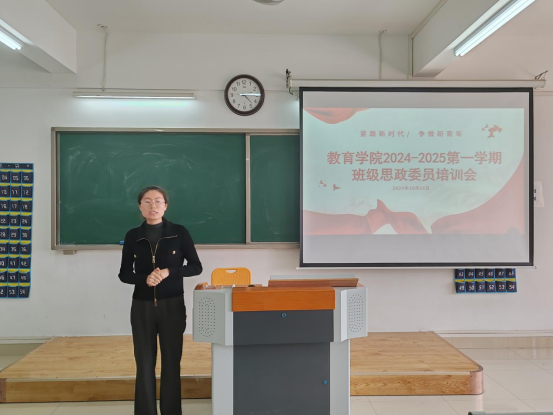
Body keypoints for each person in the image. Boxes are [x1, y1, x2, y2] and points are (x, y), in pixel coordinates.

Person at [118, 185, 202, 415]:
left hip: (172, 305)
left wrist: (168, 272)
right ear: (140, 206)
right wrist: (145, 278)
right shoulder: (133, 236)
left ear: (165, 206)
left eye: (158, 201)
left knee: (171, 363)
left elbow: (196, 267)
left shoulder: (179, 232)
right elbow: (124, 274)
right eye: (147, 201)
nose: (152, 205)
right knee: (144, 363)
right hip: (142, 307)